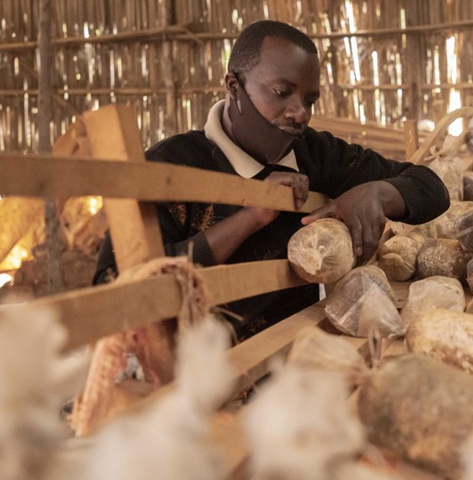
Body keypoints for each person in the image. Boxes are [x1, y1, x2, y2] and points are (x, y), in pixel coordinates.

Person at [93, 20, 450, 340]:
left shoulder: (315, 154)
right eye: (282, 93)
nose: (300, 114)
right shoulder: (172, 166)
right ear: (234, 86)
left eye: (309, 100)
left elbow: (432, 189)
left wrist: (378, 193)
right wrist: (250, 218)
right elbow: (111, 289)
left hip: (290, 359)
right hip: (197, 377)